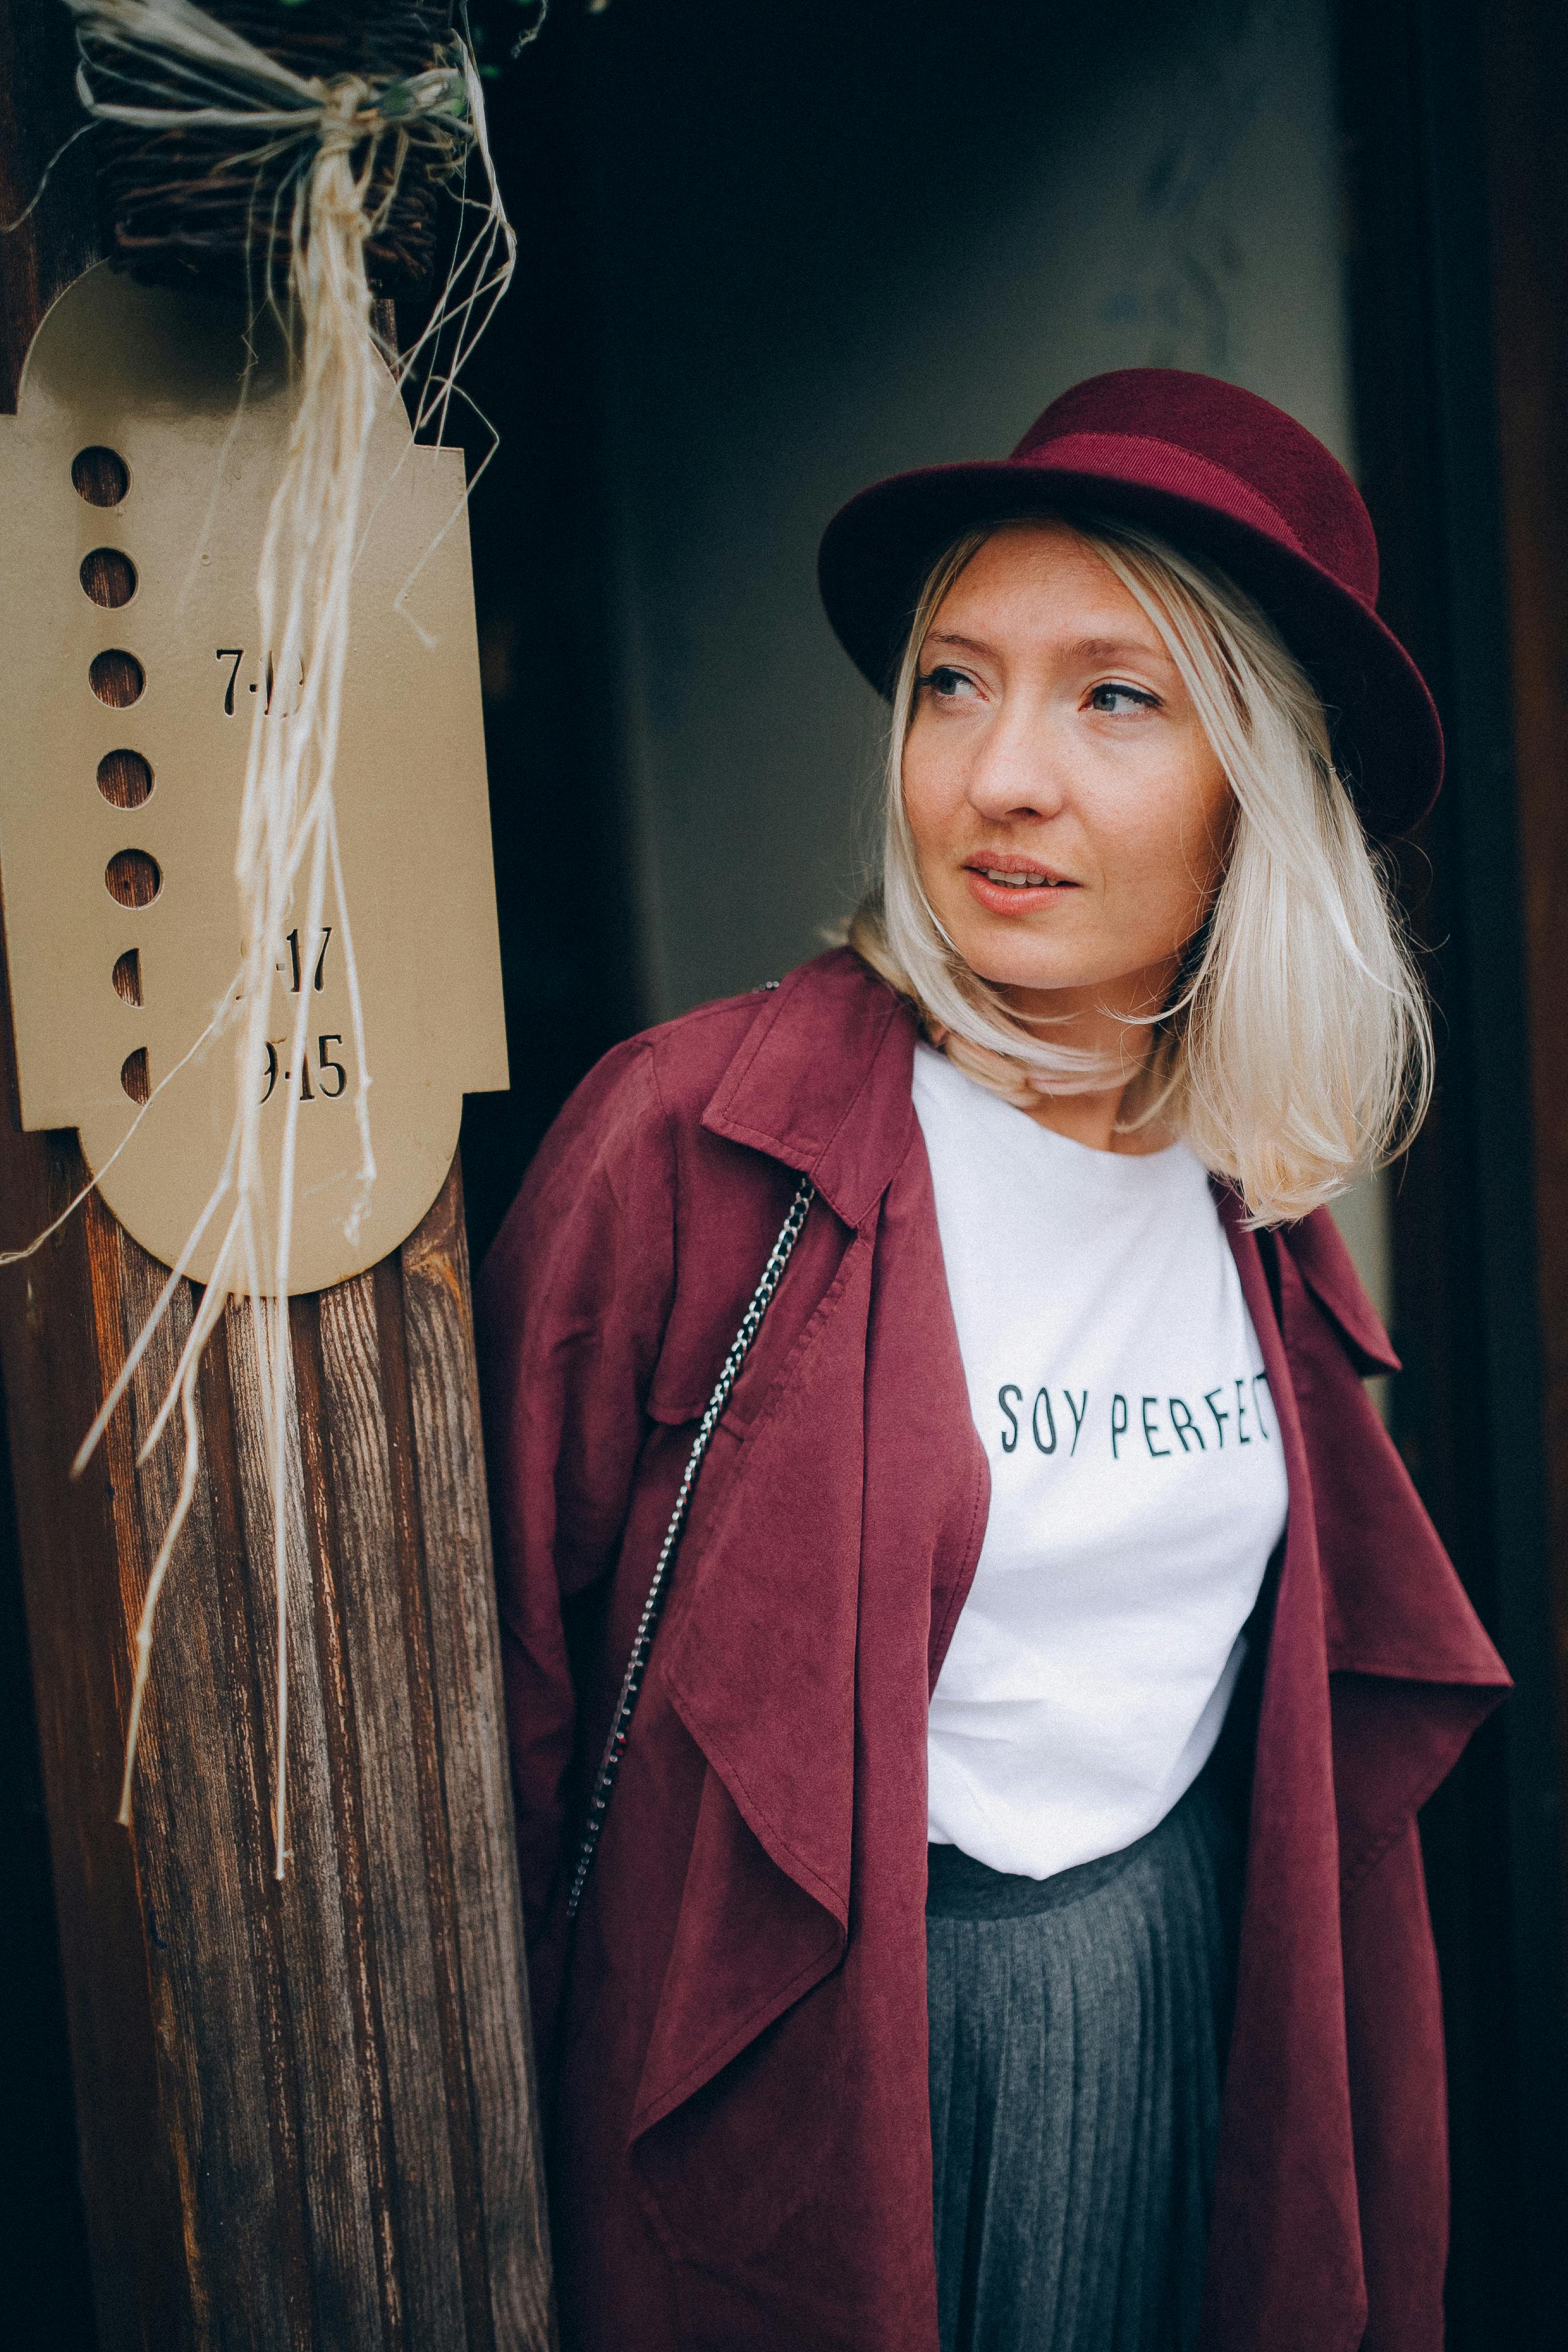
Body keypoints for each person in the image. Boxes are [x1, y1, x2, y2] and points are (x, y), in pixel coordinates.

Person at [476, 370, 1508, 2352]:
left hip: (1186, 2016)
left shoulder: (1256, 1199)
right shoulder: (689, 1150)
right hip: (823, 2086)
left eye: (1113, 697)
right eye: (955, 683)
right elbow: (490, 1729)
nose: (998, 775)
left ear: (1257, 791)